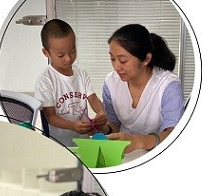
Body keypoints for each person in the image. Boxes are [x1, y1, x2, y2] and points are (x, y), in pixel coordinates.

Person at [99, 23, 185, 153]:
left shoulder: (168, 86)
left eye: (123, 60)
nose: (116, 67)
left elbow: (173, 133)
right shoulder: (110, 83)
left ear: (146, 59)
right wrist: (103, 128)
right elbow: (114, 125)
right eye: (112, 59)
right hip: (123, 155)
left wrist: (139, 142)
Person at [34, 19, 108, 147]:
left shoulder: (81, 72)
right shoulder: (46, 80)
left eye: (73, 51)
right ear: (46, 52)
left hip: (83, 143)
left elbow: (92, 98)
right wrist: (72, 125)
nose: (68, 58)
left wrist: (101, 112)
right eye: (61, 55)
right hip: (58, 145)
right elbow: (50, 117)